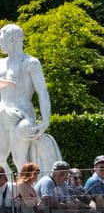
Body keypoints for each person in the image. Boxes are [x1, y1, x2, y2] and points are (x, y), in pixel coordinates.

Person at [0, 23, 60, 173]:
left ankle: (24, 192)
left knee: (19, 160)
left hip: (22, 115)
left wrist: (45, 121)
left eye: (2, 39)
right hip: (2, 114)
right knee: (0, 159)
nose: (0, 43)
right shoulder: (0, 64)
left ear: (12, 39)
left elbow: (42, 92)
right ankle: (9, 189)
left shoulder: (31, 63)